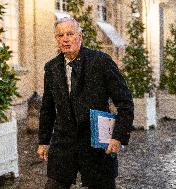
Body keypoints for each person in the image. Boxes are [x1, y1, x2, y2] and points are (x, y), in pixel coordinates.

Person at [37, 17, 134, 189]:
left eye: (70, 34)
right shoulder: (51, 68)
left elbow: (125, 102)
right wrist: (44, 140)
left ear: (80, 36)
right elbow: (48, 108)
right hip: (63, 144)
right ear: (56, 40)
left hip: (97, 144)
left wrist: (118, 136)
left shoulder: (101, 61)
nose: (65, 39)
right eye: (60, 35)